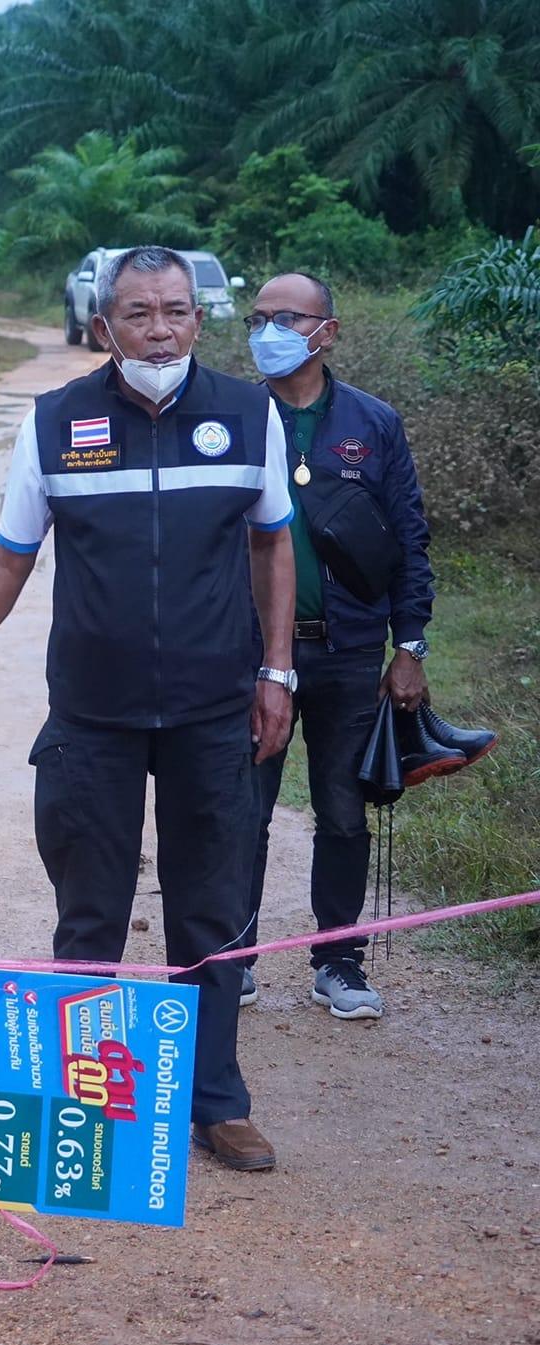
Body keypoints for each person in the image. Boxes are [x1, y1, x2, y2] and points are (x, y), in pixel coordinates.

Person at [0, 246, 298, 1173]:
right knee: (90, 915)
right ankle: (84, 1101)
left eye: (176, 311)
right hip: (92, 715)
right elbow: (10, 557)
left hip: (213, 710)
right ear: (102, 326)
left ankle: (217, 1102)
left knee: (211, 910)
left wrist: (277, 671)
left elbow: (273, 545)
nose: (160, 331)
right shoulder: (55, 422)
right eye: (138, 314)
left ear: (199, 317)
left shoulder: (251, 416)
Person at [235, 272, 435, 1020]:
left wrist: (408, 645)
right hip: (251, 653)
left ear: (328, 331)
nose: (268, 332)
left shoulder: (373, 423)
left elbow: (408, 537)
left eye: (286, 318)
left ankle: (339, 961)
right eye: (257, 318)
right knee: (242, 809)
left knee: (345, 813)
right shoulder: (230, 417)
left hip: (348, 652)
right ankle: (233, 956)